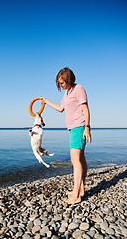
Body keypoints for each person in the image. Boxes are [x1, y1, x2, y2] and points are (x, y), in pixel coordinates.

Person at [41, 67, 91, 205]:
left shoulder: (78, 89)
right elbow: (60, 108)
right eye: (59, 83)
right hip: (73, 129)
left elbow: (85, 109)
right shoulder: (68, 92)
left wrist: (87, 128)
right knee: (81, 159)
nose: (60, 86)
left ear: (69, 79)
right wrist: (46, 101)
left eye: (62, 83)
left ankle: (76, 196)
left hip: (79, 127)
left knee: (76, 162)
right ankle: (80, 190)